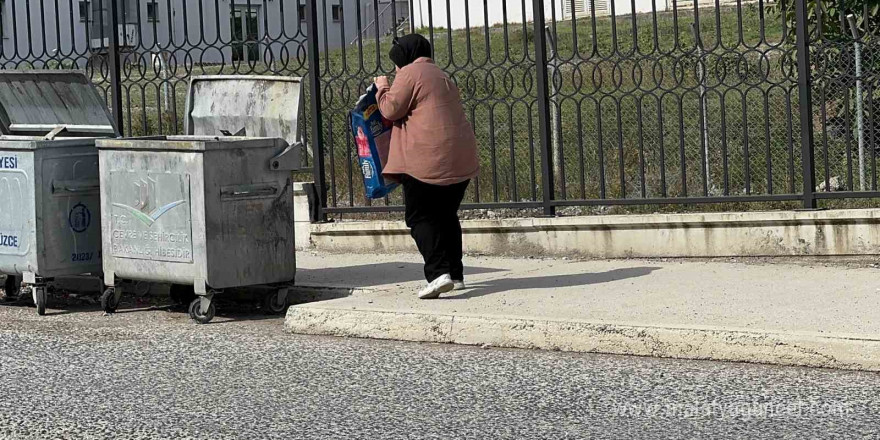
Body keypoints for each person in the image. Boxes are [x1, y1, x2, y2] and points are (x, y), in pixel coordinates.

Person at [375, 34, 479, 300]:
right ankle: (455, 273)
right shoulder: (440, 75)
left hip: (427, 160)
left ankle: (437, 274)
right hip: (459, 158)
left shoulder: (410, 73)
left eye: (396, 63)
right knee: (446, 215)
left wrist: (382, 88)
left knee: (419, 217)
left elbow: (391, 109)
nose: (396, 68)